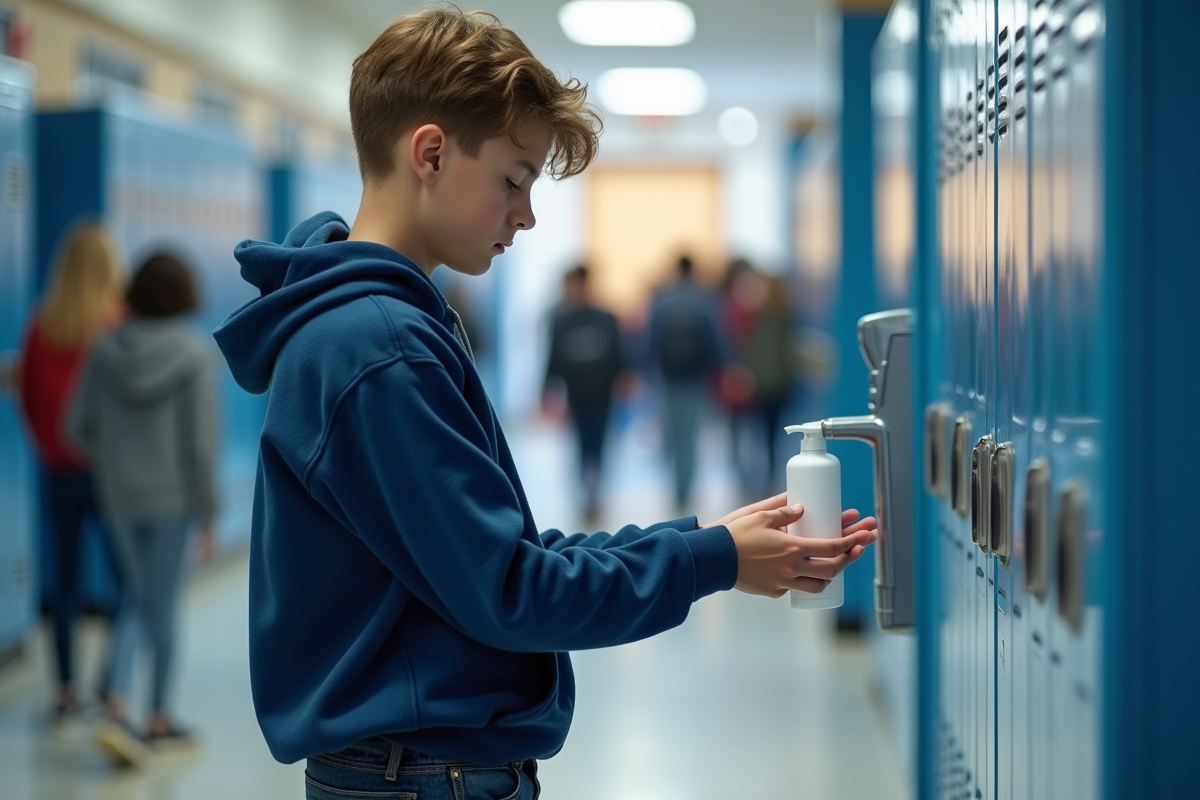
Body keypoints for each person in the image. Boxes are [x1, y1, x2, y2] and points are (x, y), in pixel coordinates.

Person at [212, 9, 877, 800]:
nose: (525, 214)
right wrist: (714, 561)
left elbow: (499, 554)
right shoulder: (380, 347)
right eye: (513, 179)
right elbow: (513, 592)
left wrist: (710, 541)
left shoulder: (379, 327)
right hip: (423, 776)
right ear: (430, 154)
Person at [67, 253, 218, 766]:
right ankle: (157, 720)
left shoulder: (102, 349)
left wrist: (113, 463)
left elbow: (75, 427)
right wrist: (208, 511)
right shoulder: (193, 355)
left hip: (118, 497)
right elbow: (200, 446)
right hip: (173, 500)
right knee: (162, 603)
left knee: (132, 594)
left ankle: (115, 702)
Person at [16, 222, 125, 735]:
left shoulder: (42, 325)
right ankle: (110, 686)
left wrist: (49, 445)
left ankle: (63, 692)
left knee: (64, 582)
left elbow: (29, 399)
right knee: (124, 582)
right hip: (110, 472)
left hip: (58, 470)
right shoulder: (117, 324)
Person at [543, 265, 625, 523]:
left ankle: (596, 496)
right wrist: (546, 391)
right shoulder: (560, 320)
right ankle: (584, 498)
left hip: (603, 395)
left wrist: (626, 378)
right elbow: (553, 358)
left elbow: (619, 354)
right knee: (580, 448)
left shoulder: (606, 318)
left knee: (599, 447)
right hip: (576, 396)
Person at [646, 254, 727, 510]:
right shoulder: (704, 300)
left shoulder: (663, 301)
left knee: (672, 434)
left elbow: (651, 340)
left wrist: (645, 372)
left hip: (669, 378)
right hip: (696, 379)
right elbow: (716, 340)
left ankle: (675, 488)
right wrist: (724, 369)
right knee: (690, 437)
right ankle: (685, 489)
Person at [743, 274, 798, 495]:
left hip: (762, 385)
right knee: (775, 434)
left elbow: (753, 350)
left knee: (760, 433)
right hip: (781, 385)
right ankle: (772, 474)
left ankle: (761, 477)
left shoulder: (758, 316)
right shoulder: (787, 317)